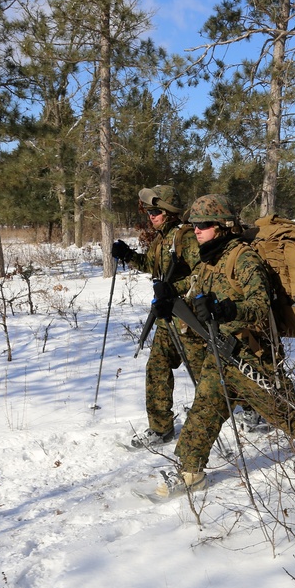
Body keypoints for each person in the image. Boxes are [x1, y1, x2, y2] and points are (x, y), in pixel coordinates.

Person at [156, 194, 295, 498]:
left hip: (251, 354)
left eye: (204, 224)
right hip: (222, 350)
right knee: (205, 407)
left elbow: (259, 306)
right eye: (194, 225)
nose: (196, 230)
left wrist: (228, 310)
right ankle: (189, 471)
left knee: (279, 411)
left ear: (222, 226)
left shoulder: (243, 257)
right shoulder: (211, 257)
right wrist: (170, 294)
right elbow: (196, 286)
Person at [111, 185, 202, 449]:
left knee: (206, 373)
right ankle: (161, 428)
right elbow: (153, 267)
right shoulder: (162, 238)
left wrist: (176, 290)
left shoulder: (185, 237)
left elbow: (204, 274)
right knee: (157, 367)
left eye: (155, 211)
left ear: (168, 211)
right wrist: (129, 256)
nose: (151, 216)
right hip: (168, 315)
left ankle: (248, 408)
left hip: (190, 318)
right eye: (149, 211)